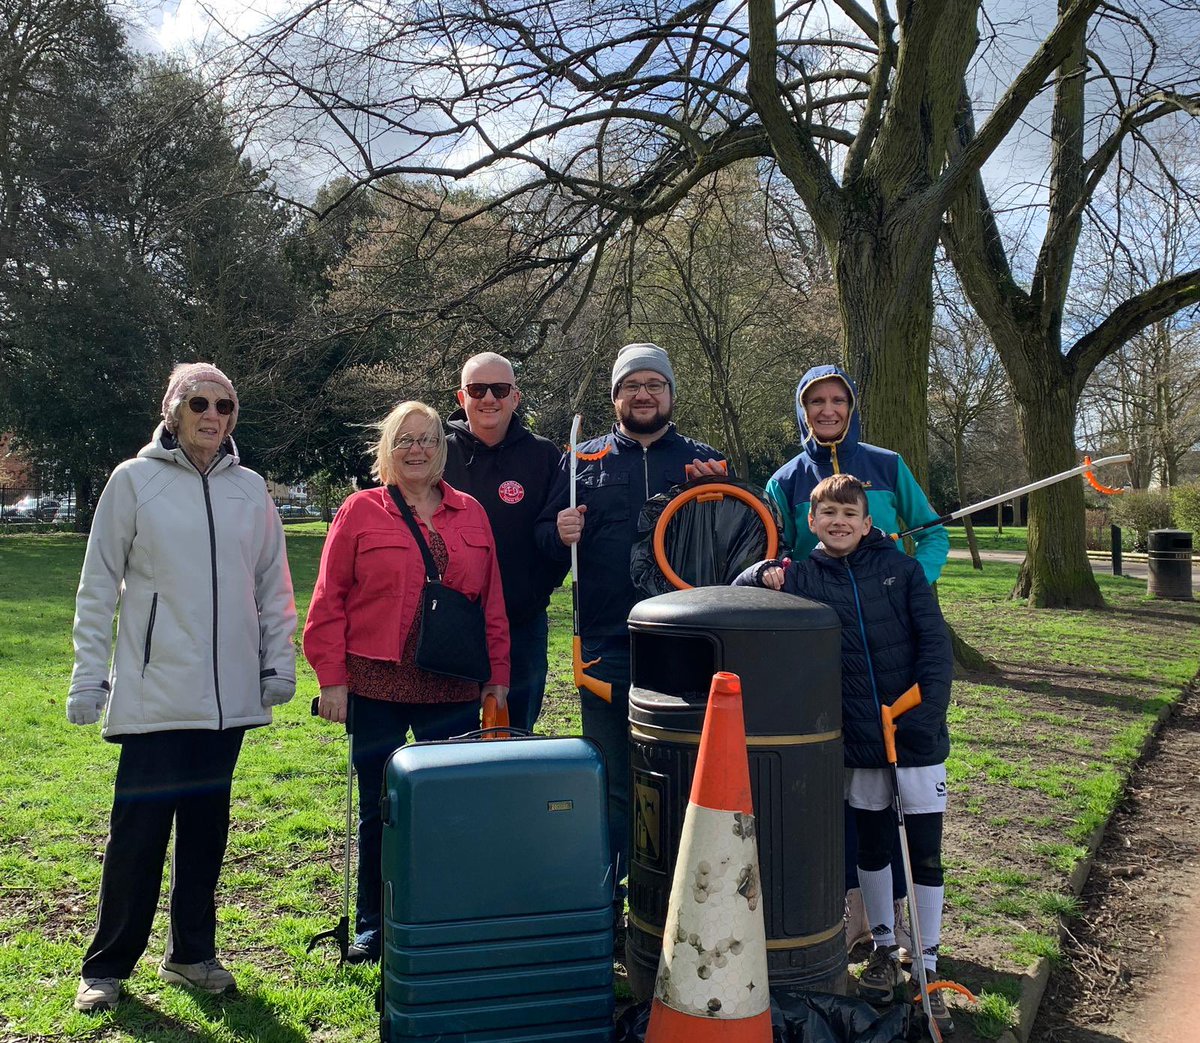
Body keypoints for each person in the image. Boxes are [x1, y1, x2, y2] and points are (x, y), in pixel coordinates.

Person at [67, 362, 297, 1013]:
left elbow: (273, 586)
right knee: (137, 836)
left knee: (205, 832)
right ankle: (107, 965)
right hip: (153, 695)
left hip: (227, 702)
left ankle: (192, 954)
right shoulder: (132, 482)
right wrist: (90, 679)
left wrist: (278, 664)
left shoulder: (251, 489)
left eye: (225, 405)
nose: (212, 415)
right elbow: (95, 589)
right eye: (199, 402)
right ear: (173, 409)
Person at [735, 474, 954, 1034]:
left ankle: (926, 959)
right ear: (811, 523)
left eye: (849, 514)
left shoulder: (901, 571)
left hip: (912, 734)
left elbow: (935, 646)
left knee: (923, 851)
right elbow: (735, 589)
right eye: (827, 514)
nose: (838, 522)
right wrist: (762, 572)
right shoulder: (803, 575)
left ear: (866, 520)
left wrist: (923, 717)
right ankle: (883, 947)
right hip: (857, 738)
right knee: (874, 845)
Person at [305, 401, 510, 964]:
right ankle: (374, 921)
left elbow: (491, 605)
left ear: (441, 448)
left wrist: (497, 680)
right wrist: (333, 680)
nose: (416, 449)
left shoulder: (470, 513)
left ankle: (443, 909)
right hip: (375, 682)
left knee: (448, 804)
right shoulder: (360, 511)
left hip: (452, 684)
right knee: (380, 806)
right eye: (404, 440)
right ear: (387, 451)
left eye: (426, 439)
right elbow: (329, 600)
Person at [766, 362, 950, 955]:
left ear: (851, 405)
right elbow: (772, 559)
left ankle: (900, 927)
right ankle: (852, 920)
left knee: (902, 801)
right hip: (826, 652)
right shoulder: (786, 479)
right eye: (815, 400)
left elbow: (932, 535)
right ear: (802, 409)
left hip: (894, 644)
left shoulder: (888, 465)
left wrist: (901, 586)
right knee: (847, 792)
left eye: (836, 399)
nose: (827, 410)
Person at [536, 342, 726, 908]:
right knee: (613, 781)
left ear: (670, 395)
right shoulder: (581, 461)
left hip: (688, 643)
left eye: (654, 385)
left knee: (687, 772)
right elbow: (542, 543)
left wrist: (717, 494)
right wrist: (558, 532)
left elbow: (738, 546)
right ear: (615, 397)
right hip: (605, 643)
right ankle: (614, 903)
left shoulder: (704, 461)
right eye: (632, 386)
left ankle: (682, 898)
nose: (643, 395)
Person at [443, 352, 567, 732]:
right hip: (450, 624)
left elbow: (556, 539)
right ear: (461, 398)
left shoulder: (545, 456)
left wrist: (535, 590)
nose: (488, 399)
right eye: (478, 389)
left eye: (499, 389)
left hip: (522, 625)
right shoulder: (436, 454)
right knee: (452, 739)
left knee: (516, 733)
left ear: (515, 396)